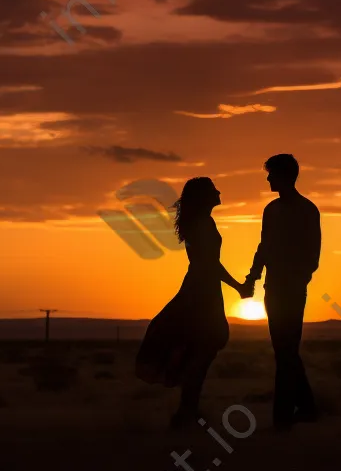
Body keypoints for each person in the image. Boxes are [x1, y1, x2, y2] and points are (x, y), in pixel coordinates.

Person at [136, 177, 246, 428]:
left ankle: (187, 412)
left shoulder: (202, 222)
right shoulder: (202, 224)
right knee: (204, 348)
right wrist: (238, 286)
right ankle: (186, 412)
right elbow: (209, 264)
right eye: (213, 190)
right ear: (204, 196)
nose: (219, 192)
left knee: (202, 348)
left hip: (201, 288)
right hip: (202, 290)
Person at [241, 154, 320, 431]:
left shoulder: (307, 210)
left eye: (271, 174)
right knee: (284, 351)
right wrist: (253, 276)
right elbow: (264, 246)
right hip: (273, 289)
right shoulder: (271, 210)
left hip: (292, 290)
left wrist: (298, 279)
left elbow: (313, 255)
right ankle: (305, 408)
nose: (268, 179)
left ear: (285, 176)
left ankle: (284, 417)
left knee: (286, 351)